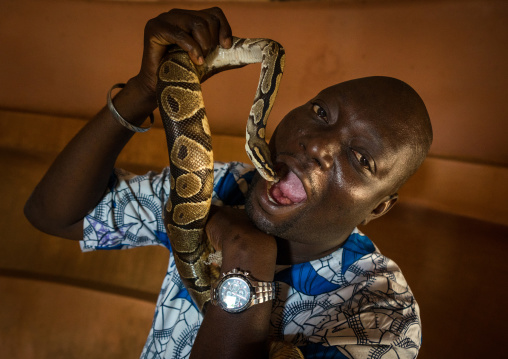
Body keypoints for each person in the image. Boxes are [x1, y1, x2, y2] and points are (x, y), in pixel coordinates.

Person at [24, 7, 432, 359]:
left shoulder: (384, 319)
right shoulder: (226, 183)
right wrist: (144, 89)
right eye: (321, 112)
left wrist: (247, 257)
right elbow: (52, 215)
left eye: (361, 159)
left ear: (378, 206)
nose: (318, 146)